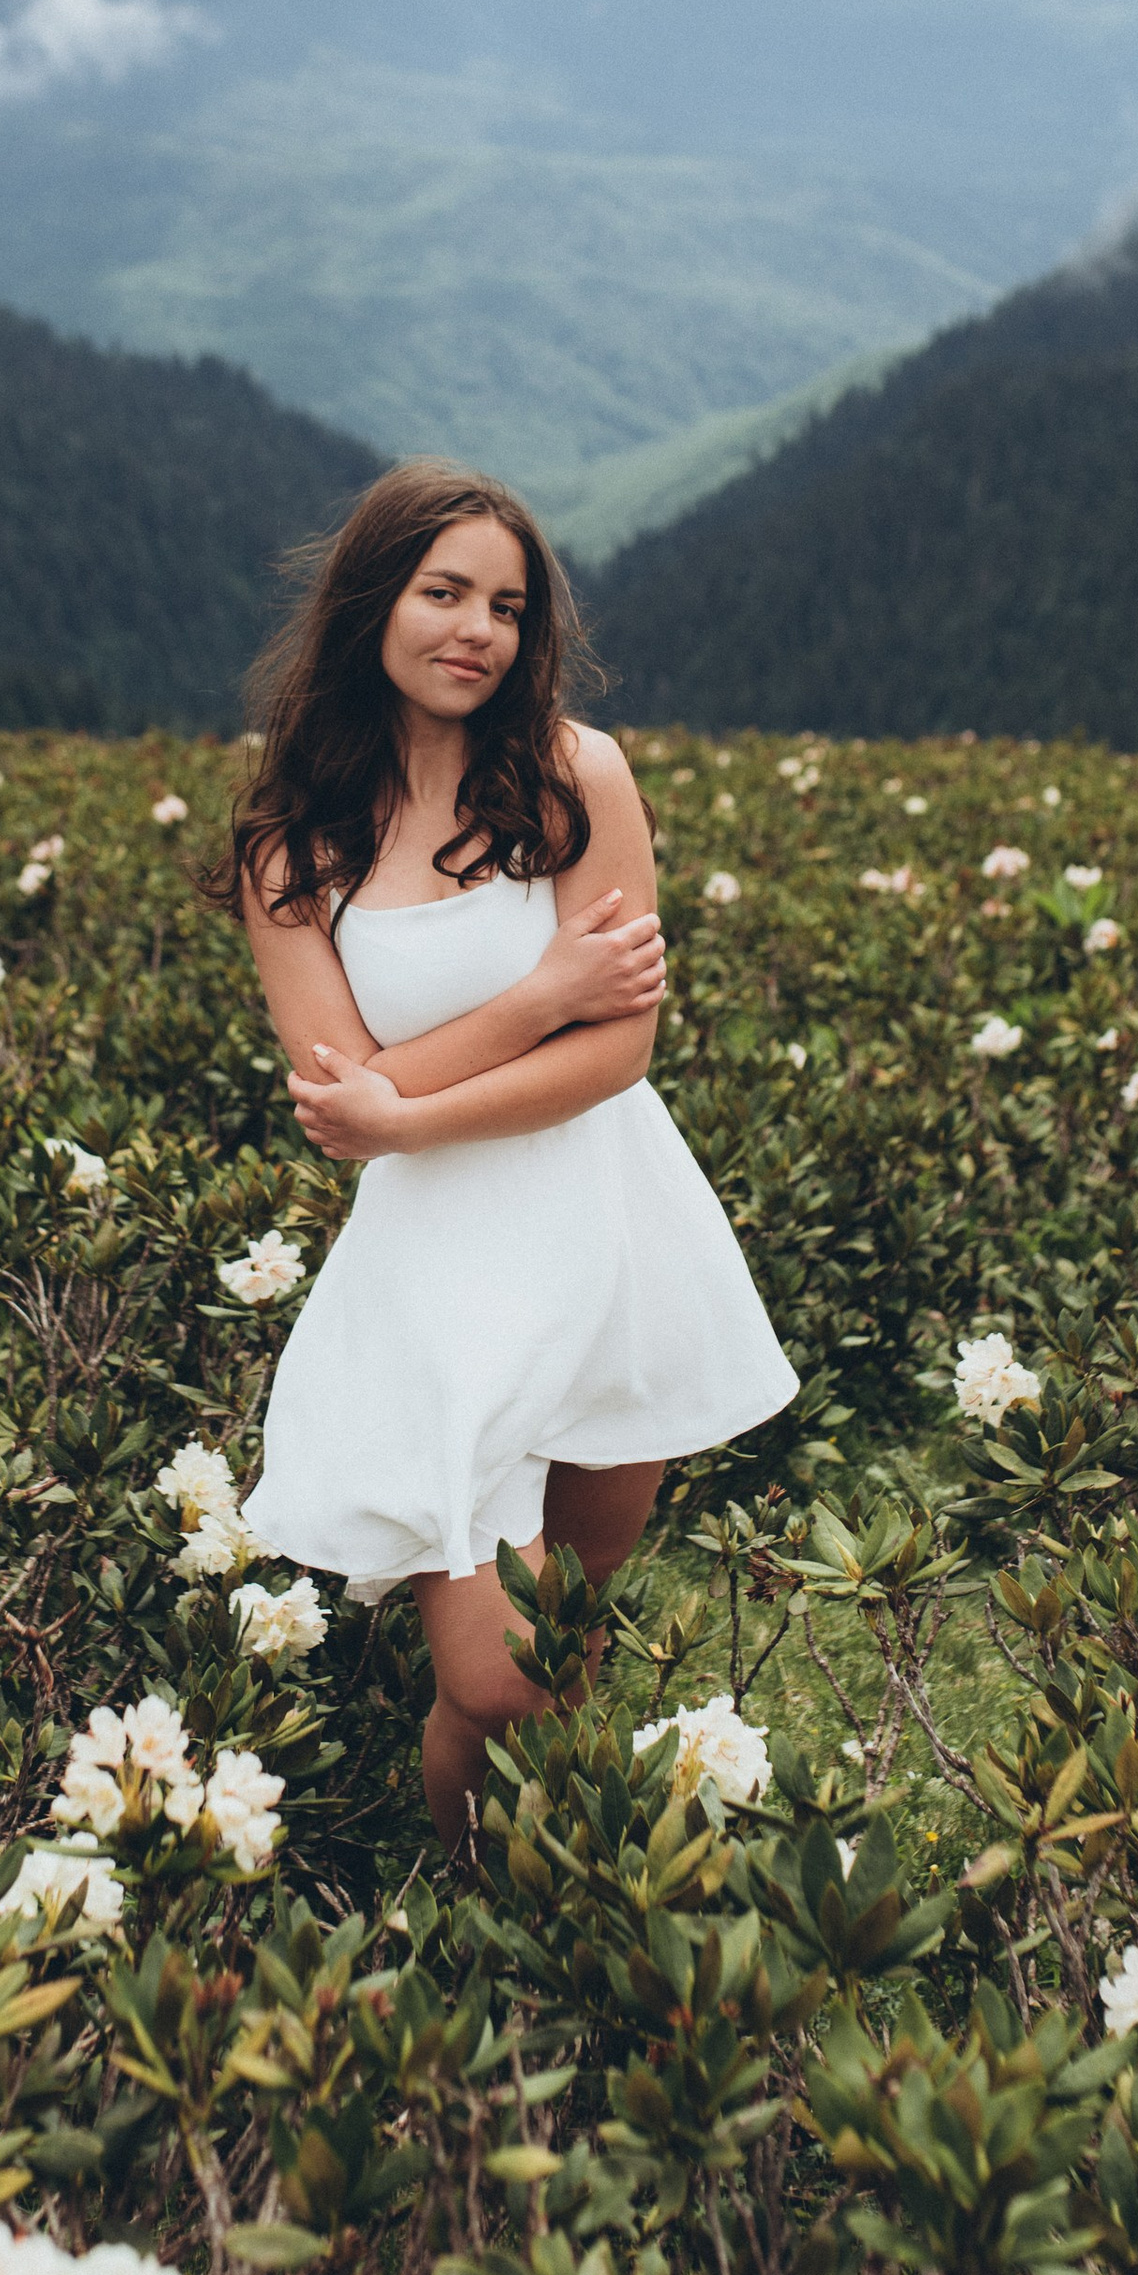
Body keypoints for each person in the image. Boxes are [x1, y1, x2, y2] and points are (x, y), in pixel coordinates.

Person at [208, 458, 797, 1850]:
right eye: (445, 593)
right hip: (442, 1273)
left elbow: (618, 1057)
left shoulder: (576, 775)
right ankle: (509, 1895)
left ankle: (508, 1922)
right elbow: (339, 1095)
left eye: (509, 606)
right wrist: (536, 1000)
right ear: (373, 604)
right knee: (500, 1668)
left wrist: (402, 1111)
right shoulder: (290, 844)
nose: (478, 630)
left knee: (563, 1652)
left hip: (611, 1239)